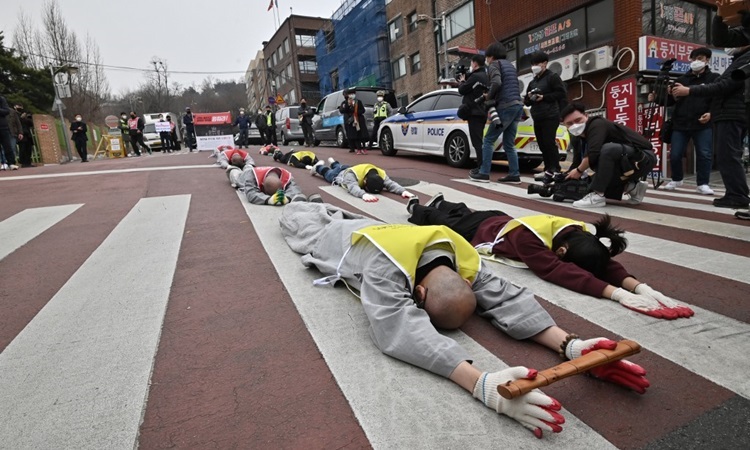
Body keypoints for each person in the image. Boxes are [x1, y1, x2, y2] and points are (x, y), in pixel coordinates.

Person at [278, 202, 650, 438]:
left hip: (378, 228)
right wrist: (482, 385)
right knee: (295, 214)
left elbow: (507, 299)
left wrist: (571, 344)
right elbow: (396, 326)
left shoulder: (465, 260)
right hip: (337, 238)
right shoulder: (384, 268)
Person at [406, 194, 694, 319]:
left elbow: (602, 260)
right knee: (435, 221)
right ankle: (415, 207)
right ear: (562, 251)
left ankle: (446, 203)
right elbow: (555, 270)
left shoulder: (579, 233)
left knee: (461, 211)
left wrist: (639, 286)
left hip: (497, 219)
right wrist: (614, 294)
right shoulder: (530, 241)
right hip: (480, 229)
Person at [671, 44, 750, 209]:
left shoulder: (741, 62)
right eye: (694, 58)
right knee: (725, 156)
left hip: (730, 115)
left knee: (724, 155)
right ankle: (735, 193)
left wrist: (692, 93)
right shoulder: (737, 61)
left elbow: (723, 87)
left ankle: (737, 195)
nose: (731, 45)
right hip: (690, 121)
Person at [649, 47, 719, 195]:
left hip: (702, 123)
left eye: (700, 58)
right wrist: (657, 98)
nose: (696, 61)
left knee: (704, 153)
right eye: (693, 59)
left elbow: (718, 100)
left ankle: (703, 183)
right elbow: (671, 101)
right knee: (675, 154)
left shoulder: (714, 78)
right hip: (680, 123)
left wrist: (711, 113)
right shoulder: (681, 80)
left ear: (707, 60)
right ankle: (676, 178)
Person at [561, 103, 656, 208]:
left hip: (643, 158)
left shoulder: (597, 124)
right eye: (569, 123)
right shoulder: (577, 138)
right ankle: (633, 188)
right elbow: (577, 162)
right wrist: (566, 177)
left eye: (578, 120)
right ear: (565, 125)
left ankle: (598, 195)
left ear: (586, 116)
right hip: (624, 163)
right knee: (591, 181)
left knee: (607, 149)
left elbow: (593, 152)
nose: (575, 125)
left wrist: (579, 171)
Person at [470, 42, 525, 183]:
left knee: (488, 140)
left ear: (491, 56)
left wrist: (488, 97)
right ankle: (514, 174)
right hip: (517, 105)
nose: (487, 60)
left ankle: (484, 173)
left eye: (487, 57)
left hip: (505, 105)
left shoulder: (495, 65)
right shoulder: (510, 65)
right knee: (509, 143)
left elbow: (497, 82)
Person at [525, 51, 568, 184]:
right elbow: (527, 101)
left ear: (544, 63)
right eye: (532, 64)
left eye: (536, 64)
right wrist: (530, 97)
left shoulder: (552, 77)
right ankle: (548, 169)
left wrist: (544, 97)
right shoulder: (533, 82)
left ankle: (555, 169)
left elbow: (561, 93)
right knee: (542, 144)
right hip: (538, 116)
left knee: (549, 143)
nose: (534, 67)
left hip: (551, 115)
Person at [311, 158, 415, 202]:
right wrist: (363, 194)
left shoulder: (381, 174)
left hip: (349, 167)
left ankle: (334, 163)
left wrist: (403, 191)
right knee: (328, 174)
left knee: (340, 166)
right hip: (341, 174)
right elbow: (352, 187)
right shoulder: (352, 175)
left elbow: (391, 184)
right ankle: (318, 167)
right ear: (364, 181)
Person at [457, 55, 489, 174]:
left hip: (474, 112)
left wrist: (462, 82)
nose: (470, 66)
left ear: (475, 64)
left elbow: (462, 90)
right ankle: (482, 166)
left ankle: (481, 167)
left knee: (477, 142)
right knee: (479, 140)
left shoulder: (475, 76)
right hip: (482, 111)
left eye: (471, 63)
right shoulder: (485, 76)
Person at [232, 165, 308, 204]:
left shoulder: (287, 176)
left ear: (282, 184)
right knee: (235, 173)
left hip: (266, 170)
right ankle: (233, 168)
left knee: (248, 165)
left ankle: (248, 165)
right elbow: (251, 193)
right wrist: (268, 199)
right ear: (262, 184)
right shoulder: (252, 176)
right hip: (247, 173)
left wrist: (287, 198)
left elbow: (295, 189)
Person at [339, 88, 368, 155]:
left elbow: (363, 110)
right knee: (355, 135)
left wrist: (356, 112)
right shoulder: (346, 103)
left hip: (359, 119)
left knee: (362, 134)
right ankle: (358, 148)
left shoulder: (358, 101)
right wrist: (348, 105)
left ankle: (364, 148)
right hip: (352, 120)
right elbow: (344, 110)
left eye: (353, 94)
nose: (351, 95)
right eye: (350, 94)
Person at [0, 94, 20, 170]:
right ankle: (2, 163)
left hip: (2, 127)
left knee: (7, 146)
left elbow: (6, 111)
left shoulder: (1, 99)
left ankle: (11, 163)